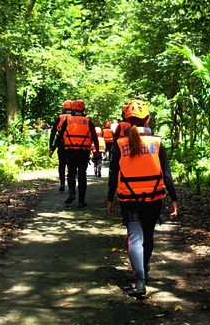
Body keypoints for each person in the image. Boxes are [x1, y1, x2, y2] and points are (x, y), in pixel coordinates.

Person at [107, 100, 179, 296]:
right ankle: (144, 270)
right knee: (147, 236)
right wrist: (174, 199)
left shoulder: (120, 144)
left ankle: (139, 281)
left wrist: (110, 199)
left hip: (129, 200)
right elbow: (167, 175)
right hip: (154, 199)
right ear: (147, 119)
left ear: (127, 121)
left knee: (135, 237)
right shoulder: (156, 143)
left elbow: (114, 174)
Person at [52, 99, 100, 207]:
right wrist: (96, 151)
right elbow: (95, 137)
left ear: (73, 109)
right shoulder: (88, 121)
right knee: (82, 175)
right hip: (83, 151)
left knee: (71, 173)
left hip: (70, 150)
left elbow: (59, 136)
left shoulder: (67, 121)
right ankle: (81, 201)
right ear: (83, 109)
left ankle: (72, 193)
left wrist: (54, 147)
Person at [49, 100, 73, 192]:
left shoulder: (60, 118)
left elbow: (53, 132)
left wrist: (51, 146)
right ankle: (71, 184)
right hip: (71, 145)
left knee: (62, 164)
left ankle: (62, 184)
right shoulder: (74, 118)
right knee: (71, 165)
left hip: (61, 143)